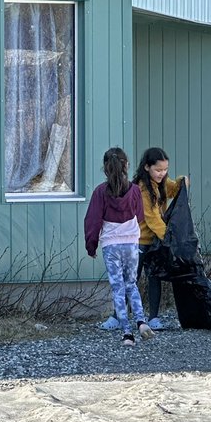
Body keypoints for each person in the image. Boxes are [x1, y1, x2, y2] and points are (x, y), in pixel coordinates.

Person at [84, 148, 154, 346]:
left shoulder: (100, 192)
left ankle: (127, 334)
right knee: (131, 284)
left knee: (118, 288)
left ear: (105, 168)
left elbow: (93, 221)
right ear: (126, 166)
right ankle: (141, 321)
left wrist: (91, 245)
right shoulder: (134, 191)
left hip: (111, 246)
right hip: (132, 243)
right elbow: (139, 216)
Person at [135, 147, 187, 331]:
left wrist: (182, 181)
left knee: (154, 277)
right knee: (132, 278)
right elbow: (152, 217)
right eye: (158, 170)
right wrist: (168, 236)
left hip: (156, 240)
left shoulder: (161, 183)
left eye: (165, 169)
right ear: (147, 167)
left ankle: (154, 318)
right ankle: (121, 316)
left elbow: (174, 189)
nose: (162, 173)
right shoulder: (142, 188)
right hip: (140, 240)